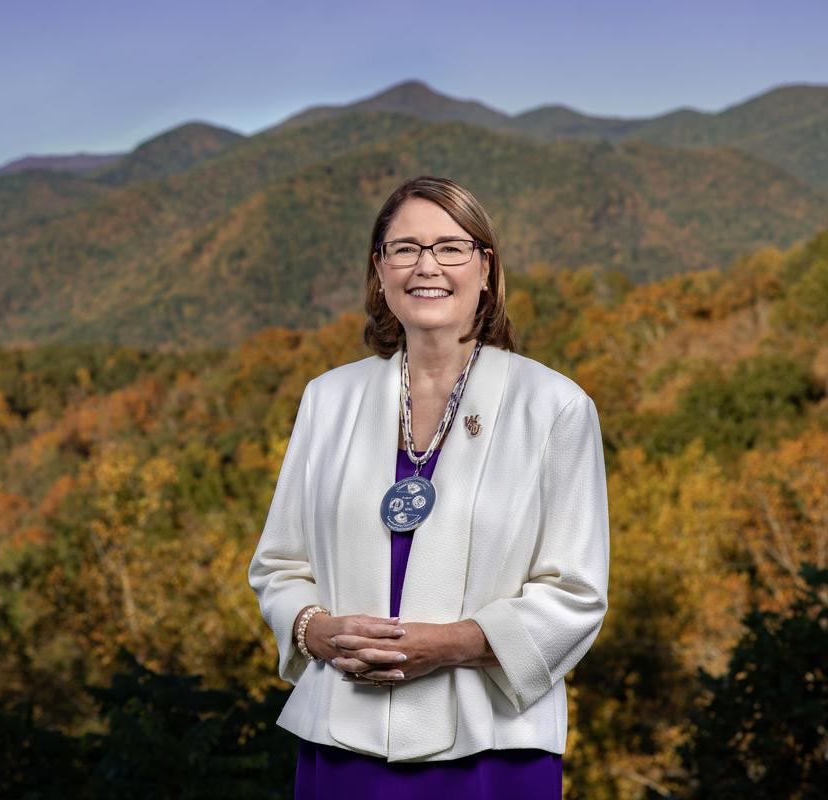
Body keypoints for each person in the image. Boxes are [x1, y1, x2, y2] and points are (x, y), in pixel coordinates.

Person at [247, 175, 610, 799]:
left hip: (493, 746)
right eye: (405, 248)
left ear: (486, 269)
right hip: (343, 734)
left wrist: (446, 646)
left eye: (450, 247)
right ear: (379, 271)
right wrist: (317, 631)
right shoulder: (327, 400)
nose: (427, 266)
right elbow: (280, 565)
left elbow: (575, 594)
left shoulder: (554, 407)